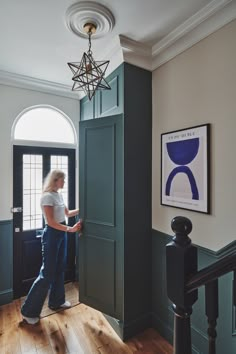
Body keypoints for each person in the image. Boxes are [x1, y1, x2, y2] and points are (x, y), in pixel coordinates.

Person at [21, 169, 81, 325]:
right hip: (52, 234)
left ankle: (57, 301)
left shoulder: (59, 195)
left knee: (60, 268)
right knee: (47, 273)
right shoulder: (47, 196)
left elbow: (67, 214)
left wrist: (84, 209)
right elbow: (51, 222)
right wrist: (71, 229)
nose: (64, 182)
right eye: (63, 179)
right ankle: (28, 312)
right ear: (55, 180)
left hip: (61, 233)